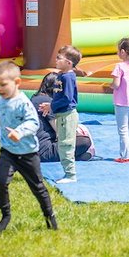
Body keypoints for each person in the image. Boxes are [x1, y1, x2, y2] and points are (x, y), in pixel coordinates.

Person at [0, 61, 57, 232]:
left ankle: (49, 215)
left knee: (37, 186)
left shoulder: (24, 103)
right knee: (0, 181)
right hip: (8, 151)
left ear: (17, 83)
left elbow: (33, 122)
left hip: (28, 153)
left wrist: (19, 132)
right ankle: (6, 215)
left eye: (3, 84)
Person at [38, 45, 81, 183]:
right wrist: (50, 106)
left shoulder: (68, 77)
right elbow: (58, 97)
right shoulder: (61, 75)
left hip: (67, 116)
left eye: (59, 58)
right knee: (63, 143)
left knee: (66, 144)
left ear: (68, 63)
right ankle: (67, 173)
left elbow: (67, 98)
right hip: (62, 115)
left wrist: (52, 106)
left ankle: (70, 175)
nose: (56, 60)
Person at [31, 73, 94, 163]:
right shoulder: (47, 103)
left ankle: (76, 156)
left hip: (33, 150)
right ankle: (76, 156)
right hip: (44, 151)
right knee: (85, 141)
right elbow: (60, 130)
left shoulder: (35, 98)